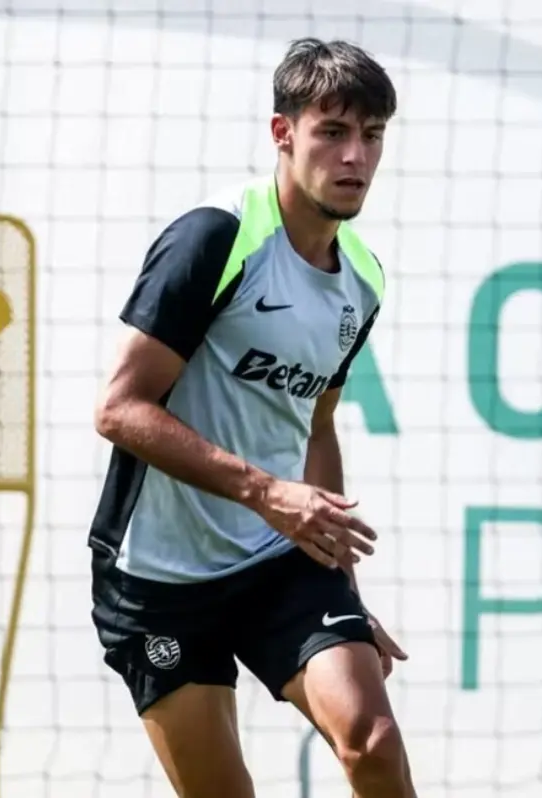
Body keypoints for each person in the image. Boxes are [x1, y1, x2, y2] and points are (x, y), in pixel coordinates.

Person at [88, 37, 416, 797]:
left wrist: (344, 590)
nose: (354, 157)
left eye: (372, 136)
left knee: (373, 740)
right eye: (332, 132)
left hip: (279, 562)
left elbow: (319, 424)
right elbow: (118, 409)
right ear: (284, 134)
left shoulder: (362, 277)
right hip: (157, 574)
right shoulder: (215, 238)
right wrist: (266, 491)